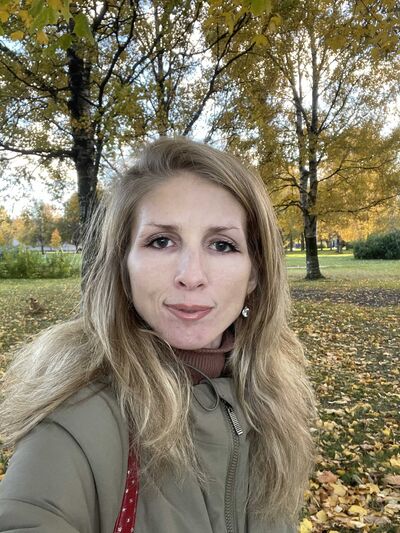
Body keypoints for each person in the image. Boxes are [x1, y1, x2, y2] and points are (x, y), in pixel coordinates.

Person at [0, 137, 316, 532]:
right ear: (123, 265)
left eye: (222, 245)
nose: (191, 275)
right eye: (161, 241)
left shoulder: (273, 401)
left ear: (255, 273)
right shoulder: (76, 417)